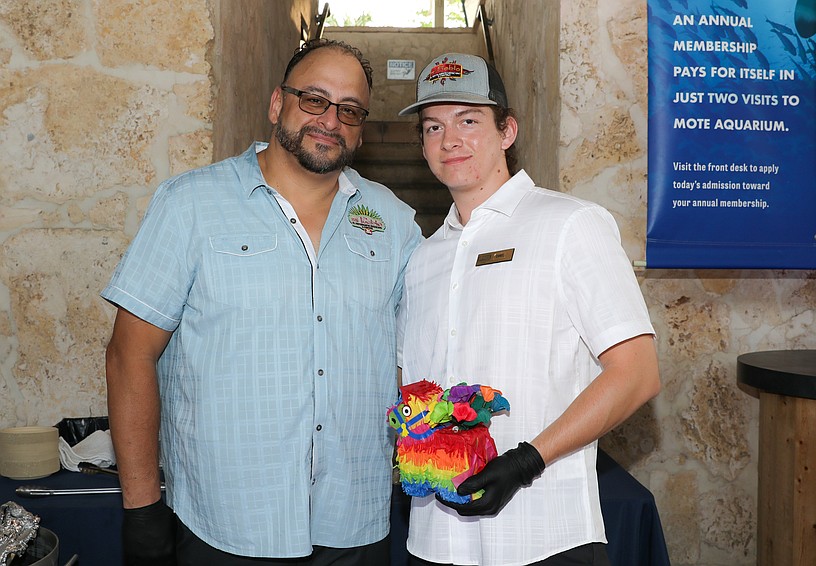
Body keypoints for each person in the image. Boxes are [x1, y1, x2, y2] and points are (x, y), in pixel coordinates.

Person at [102, 38, 422, 565]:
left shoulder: (394, 224)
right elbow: (128, 355)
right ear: (278, 104)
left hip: (355, 525)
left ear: (361, 128)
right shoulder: (191, 205)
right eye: (314, 99)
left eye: (350, 110)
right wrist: (141, 508)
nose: (330, 120)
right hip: (224, 525)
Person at [395, 53, 661, 566]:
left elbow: (637, 373)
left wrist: (524, 462)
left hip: (542, 537)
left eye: (469, 121)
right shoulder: (423, 258)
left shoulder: (570, 224)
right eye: (433, 127)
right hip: (432, 542)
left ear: (507, 131)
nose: (450, 140)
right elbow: (414, 386)